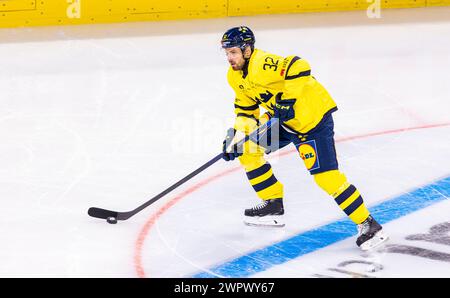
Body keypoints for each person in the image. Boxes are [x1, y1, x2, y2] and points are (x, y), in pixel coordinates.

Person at [220, 26, 388, 251]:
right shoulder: (234, 77)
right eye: (227, 53)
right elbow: (246, 112)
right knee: (247, 150)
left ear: (247, 49)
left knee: (326, 178)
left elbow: (299, 65)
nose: (229, 58)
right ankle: (273, 205)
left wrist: (287, 100)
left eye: (233, 52)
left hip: (312, 122)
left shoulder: (263, 63)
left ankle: (369, 225)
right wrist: (236, 139)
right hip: (285, 123)